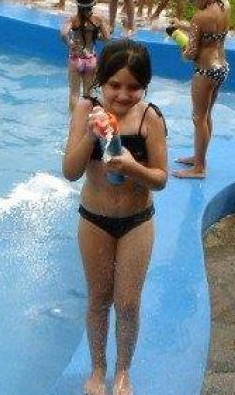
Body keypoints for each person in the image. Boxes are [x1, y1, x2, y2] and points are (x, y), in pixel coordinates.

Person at [61, 38, 168, 395]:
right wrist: (91, 135)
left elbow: (161, 178)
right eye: (114, 86)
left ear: (145, 86)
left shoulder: (149, 118)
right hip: (95, 219)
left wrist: (134, 167)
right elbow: (71, 172)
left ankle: (122, 371)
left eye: (134, 87)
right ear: (100, 82)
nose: (123, 95)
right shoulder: (85, 110)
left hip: (137, 221)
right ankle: (97, 369)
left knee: (128, 302)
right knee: (98, 298)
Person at [171, 0, 230, 179]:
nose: (190, 3)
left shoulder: (199, 18)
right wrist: (184, 26)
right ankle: (199, 157)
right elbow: (210, 35)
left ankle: (199, 168)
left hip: (204, 71)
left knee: (198, 118)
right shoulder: (224, 5)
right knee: (206, 116)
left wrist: (180, 42)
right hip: (221, 67)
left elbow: (192, 52)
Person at [61, 0, 110, 112]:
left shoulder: (73, 19)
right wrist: (95, 35)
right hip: (91, 59)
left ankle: (73, 121)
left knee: (74, 93)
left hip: (76, 59)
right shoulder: (98, 19)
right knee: (88, 94)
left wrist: (70, 43)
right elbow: (106, 38)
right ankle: (87, 118)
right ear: (94, 2)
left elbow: (63, 34)